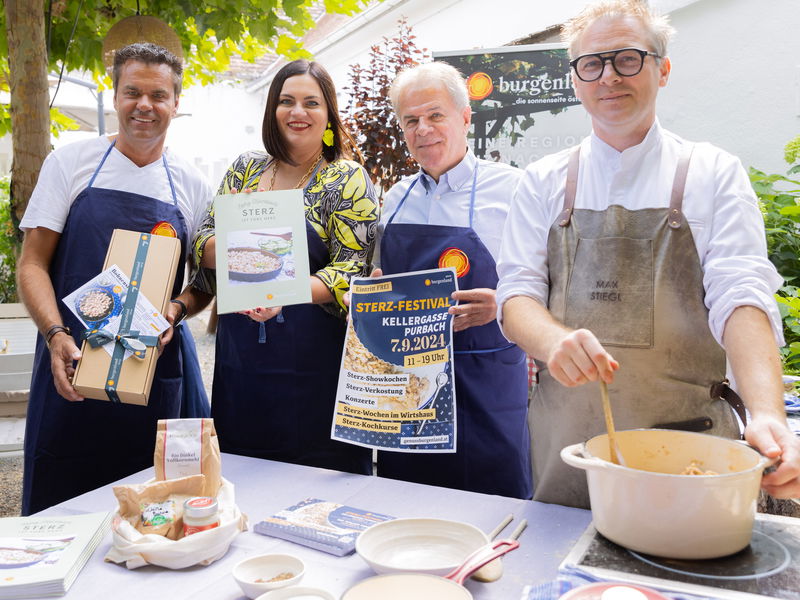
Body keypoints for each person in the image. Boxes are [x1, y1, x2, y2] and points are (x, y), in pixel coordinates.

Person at [497, 0, 800, 508]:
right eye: (591, 64)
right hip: (568, 451)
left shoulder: (711, 172)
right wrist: (553, 341)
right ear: (575, 79)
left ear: (662, 69)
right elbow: (516, 296)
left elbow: (742, 295)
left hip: (692, 448)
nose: (608, 77)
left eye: (628, 59)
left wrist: (766, 412)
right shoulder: (542, 182)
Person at [17, 42, 213, 515]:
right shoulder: (71, 163)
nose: (144, 105)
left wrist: (177, 309)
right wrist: (55, 333)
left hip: (157, 369)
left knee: (165, 510)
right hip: (73, 363)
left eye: (158, 95)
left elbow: (208, 282)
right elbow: (32, 264)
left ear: (176, 103)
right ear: (115, 95)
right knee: (63, 505)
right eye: (132, 92)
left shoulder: (192, 184)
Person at [191, 59, 378, 475]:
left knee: (319, 488)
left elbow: (353, 271)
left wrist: (278, 290)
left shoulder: (345, 178)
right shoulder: (245, 169)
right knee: (243, 482)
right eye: (286, 101)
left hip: (316, 369)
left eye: (311, 102)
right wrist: (247, 257)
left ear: (328, 113)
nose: (298, 112)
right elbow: (201, 241)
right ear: (272, 111)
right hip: (241, 367)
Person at [375, 62, 532, 499]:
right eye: (411, 120)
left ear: (465, 117)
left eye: (435, 115)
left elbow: (553, 284)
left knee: (495, 506)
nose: (423, 129)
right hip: (410, 391)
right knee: (409, 505)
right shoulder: (395, 199)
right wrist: (373, 294)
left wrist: (501, 303)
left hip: (487, 381)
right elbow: (383, 280)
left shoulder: (516, 189)